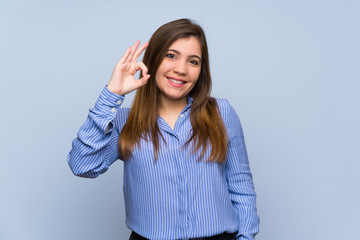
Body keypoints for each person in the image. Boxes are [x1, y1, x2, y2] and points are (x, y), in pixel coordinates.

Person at [68, 18, 259, 240]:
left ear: (201, 70)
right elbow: (82, 165)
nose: (181, 69)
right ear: (153, 59)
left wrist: (246, 238)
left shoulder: (221, 113)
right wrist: (112, 94)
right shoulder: (123, 121)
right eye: (171, 56)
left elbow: (241, 186)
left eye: (193, 61)